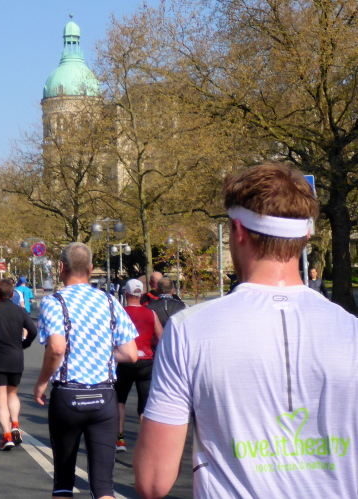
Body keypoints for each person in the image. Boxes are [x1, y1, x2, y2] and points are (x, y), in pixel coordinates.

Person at [134, 162, 358, 498]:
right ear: (306, 235)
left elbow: (153, 481)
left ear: (238, 230)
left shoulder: (188, 330)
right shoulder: (351, 330)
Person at [35, 242, 138, 499]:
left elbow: (57, 348)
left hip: (68, 396)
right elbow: (130, 353)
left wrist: (42, 382)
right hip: (104, 397)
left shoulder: (54, 302)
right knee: (103, 487)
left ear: (61, 268)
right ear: (91, 269)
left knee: (63, 482)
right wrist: (101, 354)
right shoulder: (110, 301)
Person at [0, 278, 38, 450]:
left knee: (0, 398)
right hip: (16, 356)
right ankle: (15, 424)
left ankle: (7, 435)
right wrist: (24, 344)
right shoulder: (20, 311)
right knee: (13, 394)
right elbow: (33, 331)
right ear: (12, 294)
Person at [114, 279, 163, 453]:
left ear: (126, 293)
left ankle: (120, 440)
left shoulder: (120, 312)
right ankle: (145, 444)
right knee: (144, 405)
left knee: (120, 401)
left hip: (125, 361)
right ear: (141, 294)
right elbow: (161, 336)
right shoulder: (151, 314)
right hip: (146, 362)